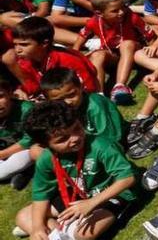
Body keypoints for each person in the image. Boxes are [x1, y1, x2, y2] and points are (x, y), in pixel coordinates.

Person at [14, 101, 135, 240]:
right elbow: (41, 194)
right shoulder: (46, 159)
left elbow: (128, 178)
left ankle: (64, 231)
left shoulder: (101, 145)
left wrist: (91, 203)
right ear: (45, 145)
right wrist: (37, 228)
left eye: (77, 128)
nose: (75, 138)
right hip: (80, 194)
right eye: (63, 139)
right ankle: (58, 232)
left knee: (85, 234)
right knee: (23, 216)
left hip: (114, 195)